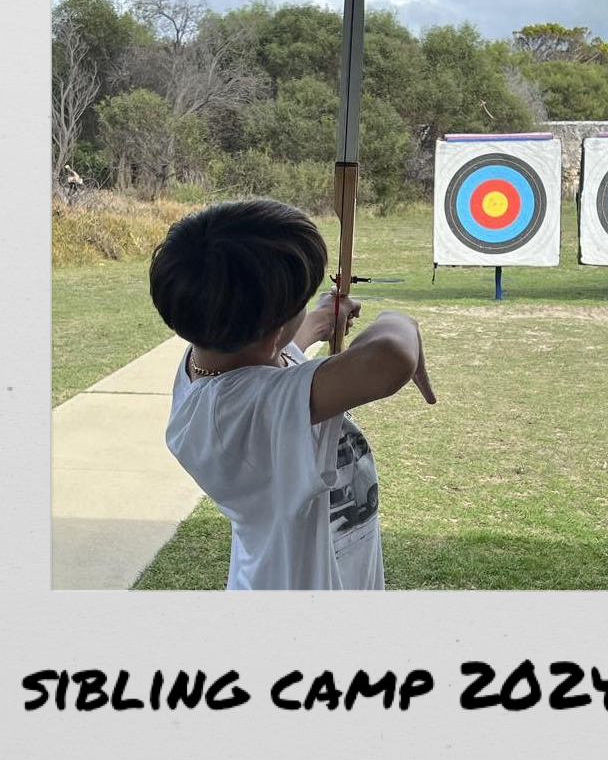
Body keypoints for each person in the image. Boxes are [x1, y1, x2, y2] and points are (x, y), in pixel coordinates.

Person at [149, 198, 435, 590]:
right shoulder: (240, 411)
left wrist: (316, 319)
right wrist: (403, 320)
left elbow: (270, 358)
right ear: (274, 327)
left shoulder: (210, 358)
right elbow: (390, 358)